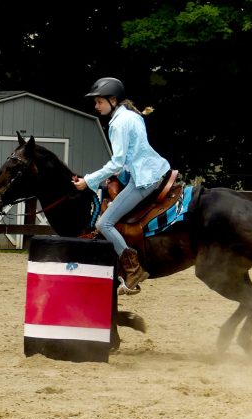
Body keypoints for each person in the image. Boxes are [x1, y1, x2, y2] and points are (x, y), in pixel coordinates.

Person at [72, 77, 170, 293]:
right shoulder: (132, 116)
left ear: (112, 100)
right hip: (153, 170)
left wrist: (88, 180)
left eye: (99, 102)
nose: (96, 106)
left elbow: (117, 161)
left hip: (144, 179)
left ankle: (133, 269)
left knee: (104, 223)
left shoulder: (117, 123)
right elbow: (130, 156)